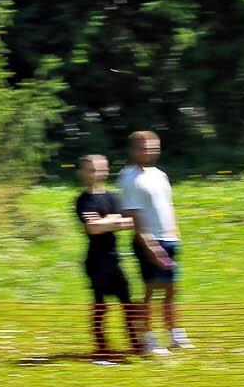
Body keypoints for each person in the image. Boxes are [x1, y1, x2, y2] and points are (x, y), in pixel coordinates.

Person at [115, 130, 190, 355]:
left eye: (153, 148)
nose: (148, 152)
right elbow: (133, 215)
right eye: (143, 148)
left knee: (171, 289)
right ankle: (148, 339)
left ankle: (175, 334)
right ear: (133, 150)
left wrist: (175, 234)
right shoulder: (129, 178)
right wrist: (149, 245)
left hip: (169, 238)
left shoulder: (159, 175)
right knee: (151, 290)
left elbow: (168, 205)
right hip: (148, 240)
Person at [74, 154, 139, 360]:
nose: (96, 174)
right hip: (95, 260)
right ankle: (102, 348)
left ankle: (136, 343)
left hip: (113, 258)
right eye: (91, 170)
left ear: (107, 171)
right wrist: (113, 220)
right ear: (83, 173)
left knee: (127, 302)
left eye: (100, 170)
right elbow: (92, 228)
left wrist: (106, 222)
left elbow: (129, 222)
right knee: (100, 305)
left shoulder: (112, 197)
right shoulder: (83, 200)